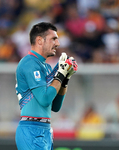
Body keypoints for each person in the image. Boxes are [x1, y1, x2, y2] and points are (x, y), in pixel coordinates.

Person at [15, 22, 78, 150]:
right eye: (54, 39)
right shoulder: (29, 62)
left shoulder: (47, 67)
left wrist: (65, 79)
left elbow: (55, 106)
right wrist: (60, 74)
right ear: (39, 40)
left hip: (45, 130)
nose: (57, 43)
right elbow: (44, 99)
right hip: (31, 129)